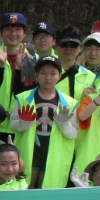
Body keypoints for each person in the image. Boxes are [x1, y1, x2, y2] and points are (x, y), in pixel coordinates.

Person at [10, 56, 78, 189]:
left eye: (53, 74)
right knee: (25, 187)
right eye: (43, 73)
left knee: (47, 189)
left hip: (54, 154)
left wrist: (64, 124)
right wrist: (23, 123)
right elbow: (12, 125)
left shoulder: (70, 103)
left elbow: (74, 134)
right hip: (29, 152)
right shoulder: (23, 98)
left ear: (60, 76)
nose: (48, 77)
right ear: (36, 75)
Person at [54, 26, 95, 101]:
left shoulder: (91, 77)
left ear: (80, 48)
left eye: (73, 45)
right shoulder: (45, 73)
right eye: (64, 44)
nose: (68, 49)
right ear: (56, 46)